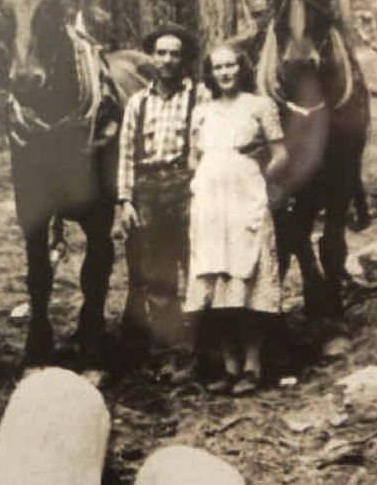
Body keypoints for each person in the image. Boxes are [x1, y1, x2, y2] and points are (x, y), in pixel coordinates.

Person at [184, 42, 287, 395]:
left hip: (246, 199)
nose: (225, 73)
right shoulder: (201, 111)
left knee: (248, 274)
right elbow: (192, 159)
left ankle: (253, 366)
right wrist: (204, 181)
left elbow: (280, 154)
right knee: (216, 276)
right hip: (210, 204)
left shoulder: (260, 106)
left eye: (230, 66)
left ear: (241, 68)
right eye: (218, 68)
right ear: (209, 73)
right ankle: (228, 366)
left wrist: (256, 177)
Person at [118, 23, 209, 378]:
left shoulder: (199, 96)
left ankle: (200, 347)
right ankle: (167, 350)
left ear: (184, 59)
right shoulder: (138, 103)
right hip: (148, 190)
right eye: (161, 53)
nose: (168, 60)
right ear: (152, 58)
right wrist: (125, 200)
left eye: (175, 53)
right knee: (157, 275)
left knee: (197, 266)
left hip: (189, 186)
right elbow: (126, 154)